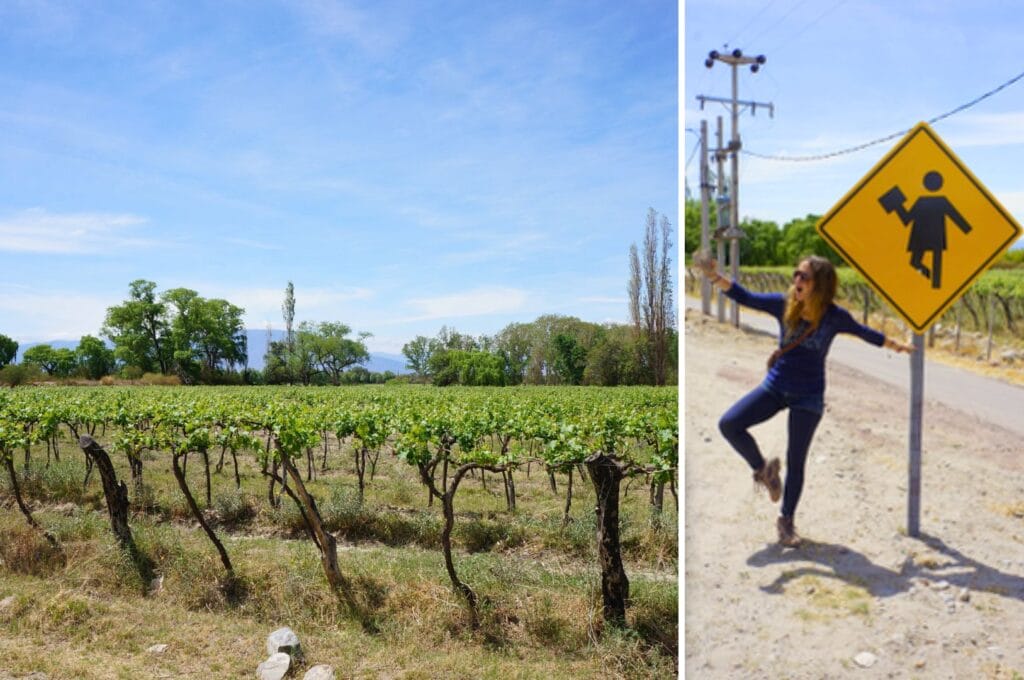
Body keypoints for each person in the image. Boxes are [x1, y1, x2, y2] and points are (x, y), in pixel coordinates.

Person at [697, 254, 915, 547]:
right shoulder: (783, 304)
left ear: (820, 284)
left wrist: (897, 346)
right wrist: (713, 276)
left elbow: (865, 333)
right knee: (729, 424)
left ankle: (786, 521)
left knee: (796, 460)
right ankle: (764, 471)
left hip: (809, 396)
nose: (797, 281)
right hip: (775, 387)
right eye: (796, 274)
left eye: (805, 277)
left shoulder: (834, 317)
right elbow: (745, 297)